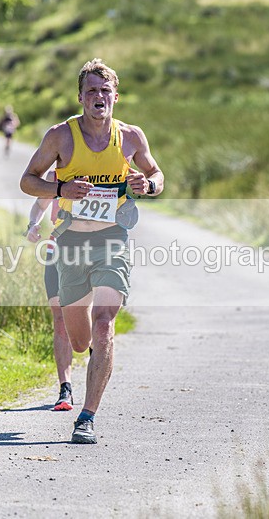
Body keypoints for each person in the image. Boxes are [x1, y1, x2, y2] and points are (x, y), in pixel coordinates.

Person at [20, 58, 164, 444]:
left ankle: (87, 417)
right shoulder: (60, 137)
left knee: (104, 324)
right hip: (70, 243)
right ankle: (82, 359)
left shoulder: (131, 137)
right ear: (81, 97)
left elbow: (156, 175)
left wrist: (147, 186)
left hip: (111, 240)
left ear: (115, 96)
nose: (98, 97)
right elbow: (28, 181)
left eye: (105, 91)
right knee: (80, 338)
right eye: (91, 92)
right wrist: (61, 190)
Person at [24, 170, 74, 411]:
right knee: (60, 317)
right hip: (57, 249)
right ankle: (65, 388)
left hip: (92, 252)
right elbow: (38, 205)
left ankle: (95, 352)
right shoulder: (55, 176)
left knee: (89, 319)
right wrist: (32, 225)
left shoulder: (102, 168)